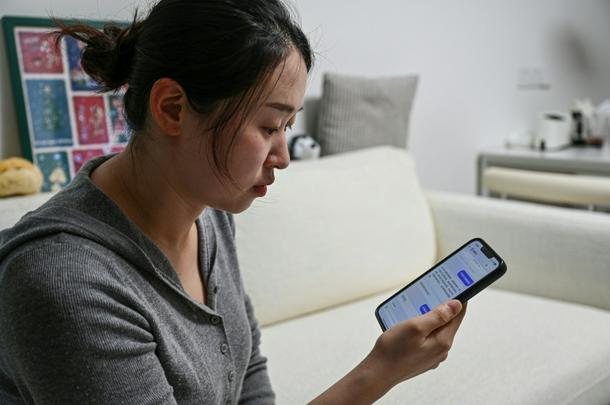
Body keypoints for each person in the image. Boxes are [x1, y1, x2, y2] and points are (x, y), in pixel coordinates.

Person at [0, 0, 467, 403]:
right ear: (172, 108)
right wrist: (377, 374)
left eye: (288, 127)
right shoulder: (63, 283)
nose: (283, 156)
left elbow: (246, 374)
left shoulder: (209, 216)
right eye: (269, 126)